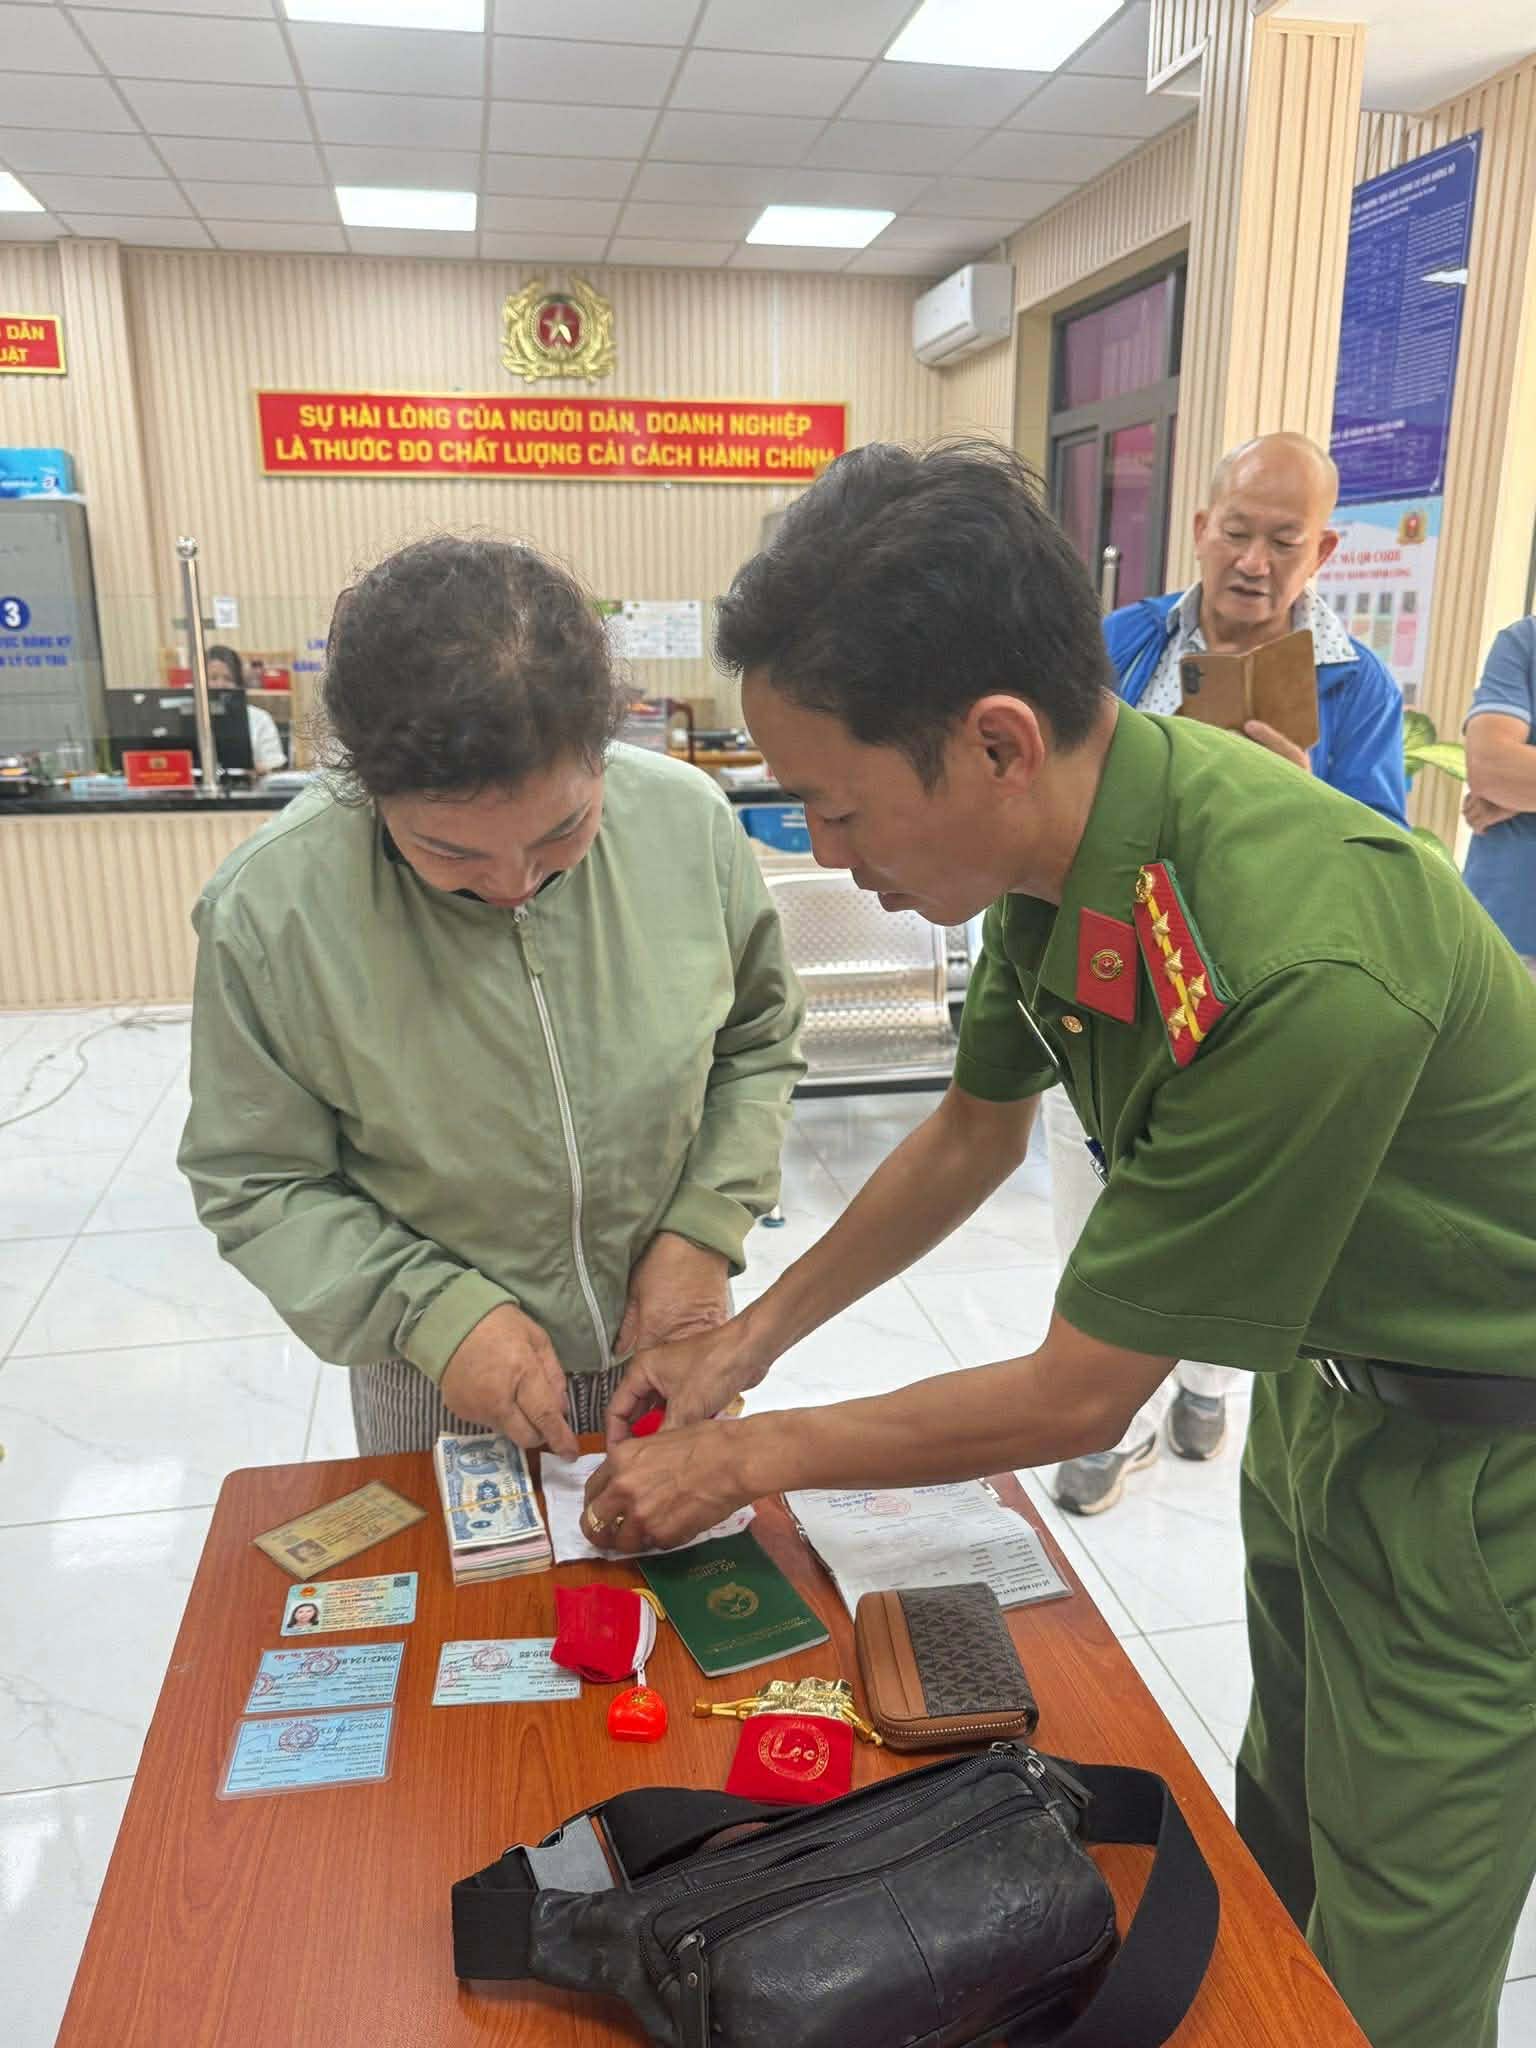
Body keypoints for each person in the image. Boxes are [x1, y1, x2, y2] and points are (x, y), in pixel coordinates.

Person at [583, 442, 1536, 2048]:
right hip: (1332, 1403)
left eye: (839, 806)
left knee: (1391, 1959)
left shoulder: (1296, 946)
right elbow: (973, 1132)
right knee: (1281, 1833)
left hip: (1489, 1467)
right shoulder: (1069, 852)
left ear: (995, 743)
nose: (828, 854)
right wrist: (743, 1345)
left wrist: (744, 1457)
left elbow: (1082, 1395)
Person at [179, 537, 804, 1456]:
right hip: (441, 1370)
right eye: (449, 852)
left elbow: (756, 1044)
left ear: (602, 750)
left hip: (670, 1331)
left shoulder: (688, 823)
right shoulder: (273, 910)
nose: (514, 884)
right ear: (366, 785)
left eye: (564, 831)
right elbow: (257, 1179)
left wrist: (704, 1230)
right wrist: (434, 1311)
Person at [1050, 431, 1408, 1513]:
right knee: (1095, 1205)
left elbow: (1385, 861)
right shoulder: (1122, 641)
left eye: (1283, 541)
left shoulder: (1356, 686)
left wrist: (1301, 794)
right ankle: (1105, 1419)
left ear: (1323, 551)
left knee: (1238, 1208)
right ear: (1201, 529)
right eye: (1237, 532)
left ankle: (1207, 1380)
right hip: (1112, 978)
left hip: (1256, 1000)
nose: (1253, 562)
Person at [1462, 613, 1536, 980]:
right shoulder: (1526, 640)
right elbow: (1490, 766)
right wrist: (1507, 785)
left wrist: (1523, 791)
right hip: (1504, 939)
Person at [205, 643, 286, 779]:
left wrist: (255, 770)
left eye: (228, 679)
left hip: (249, 789)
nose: (220, 685)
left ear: (238, 683)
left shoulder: (260, 718)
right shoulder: (187, 718)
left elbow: (274, 766)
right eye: (213, 678)